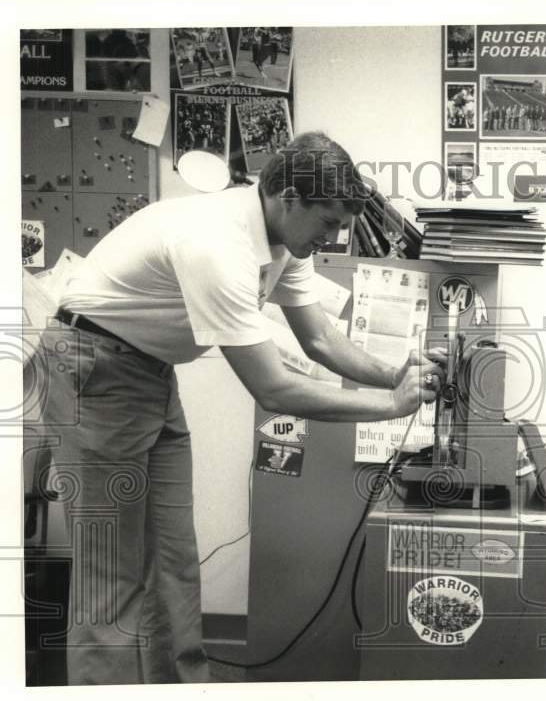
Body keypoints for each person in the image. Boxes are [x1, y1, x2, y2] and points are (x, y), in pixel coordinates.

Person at [23, 132, 446, 685]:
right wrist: (390, 406)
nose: (335, 236)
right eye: (329, 222)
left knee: (173, 563)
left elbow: (319, 340)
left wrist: (397, 373)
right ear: (289, 197)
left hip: (150, 373)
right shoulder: (216, 243)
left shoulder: (281, 242)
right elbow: (273, 389)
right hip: (93, 369)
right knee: (112, 573)